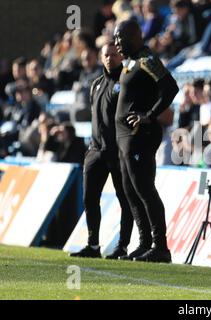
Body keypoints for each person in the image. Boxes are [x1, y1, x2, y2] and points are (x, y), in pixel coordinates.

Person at [113, 19, 179, 262]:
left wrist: (149, 116)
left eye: (120, 38)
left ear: (134, 35)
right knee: (130, 190)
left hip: (140, 135)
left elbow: (171, 87)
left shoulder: (147, 60)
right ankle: (144, 243)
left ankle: (161, 246)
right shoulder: (130, 63)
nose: (117, 43)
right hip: (124, 138)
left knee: (144, 188)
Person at [69, 42, 134, 260]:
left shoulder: (126, 80)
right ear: (101, 57)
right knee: (89, 198)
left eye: (114, 55)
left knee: (125, 200)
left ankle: (122, 247)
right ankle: (93, 245)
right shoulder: (96, 83)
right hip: (95, 151)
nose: (110, 59)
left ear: (121, 56)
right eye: (106, 55)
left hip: (117, 151)